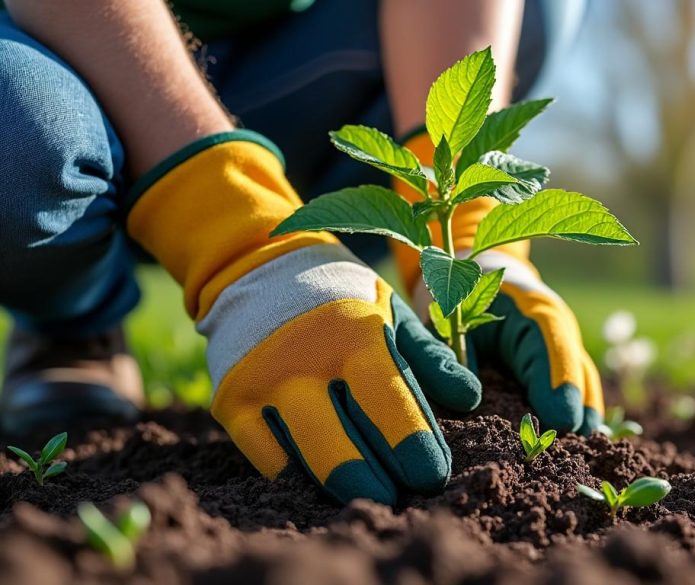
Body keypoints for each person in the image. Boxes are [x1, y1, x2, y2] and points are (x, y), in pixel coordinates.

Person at [0, 0, 602, 505]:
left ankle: (340, 283)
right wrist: (235, 234)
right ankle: (72, 323)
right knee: (19, 141)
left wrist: (464, 239)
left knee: (540, 14)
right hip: (67, 45)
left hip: (290, 68)